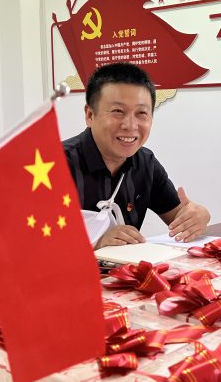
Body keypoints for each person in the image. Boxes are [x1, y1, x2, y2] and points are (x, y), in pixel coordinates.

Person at [63, 62, 210, 248]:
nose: (130, 125)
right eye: (118, 111)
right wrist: (94, 242)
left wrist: (197, 216)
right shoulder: (54, 165)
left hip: (126, 268)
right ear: (90, 115)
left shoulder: (146, 163)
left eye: (141, 113)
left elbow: (179, 216)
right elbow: (31, 242)